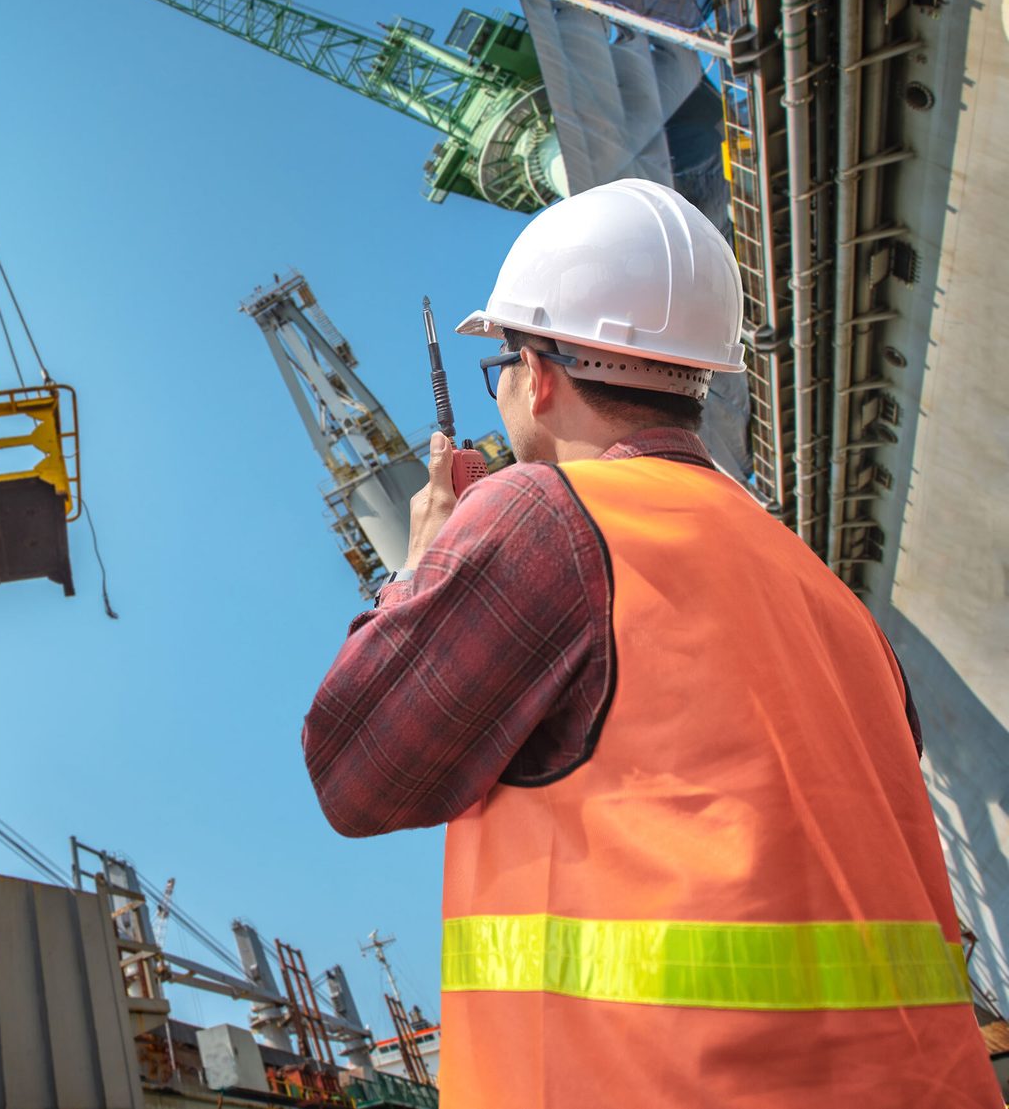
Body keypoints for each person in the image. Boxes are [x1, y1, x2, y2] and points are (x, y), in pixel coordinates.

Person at [299, 179, 997, 1107]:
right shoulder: (827, 596)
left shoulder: (542, 514)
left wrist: (419, 563)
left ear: (540, 373)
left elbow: (354, 771)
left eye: (501, 365)